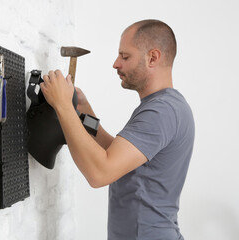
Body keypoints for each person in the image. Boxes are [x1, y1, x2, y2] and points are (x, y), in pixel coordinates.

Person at [40, 19, 195, 240]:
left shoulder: (161, 111)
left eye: (125, 56)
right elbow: (119, 155)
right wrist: (85, 113)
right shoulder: (166, 106)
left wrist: (63, 105)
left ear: (153, 58)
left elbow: (100, 173)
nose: (115, 63)